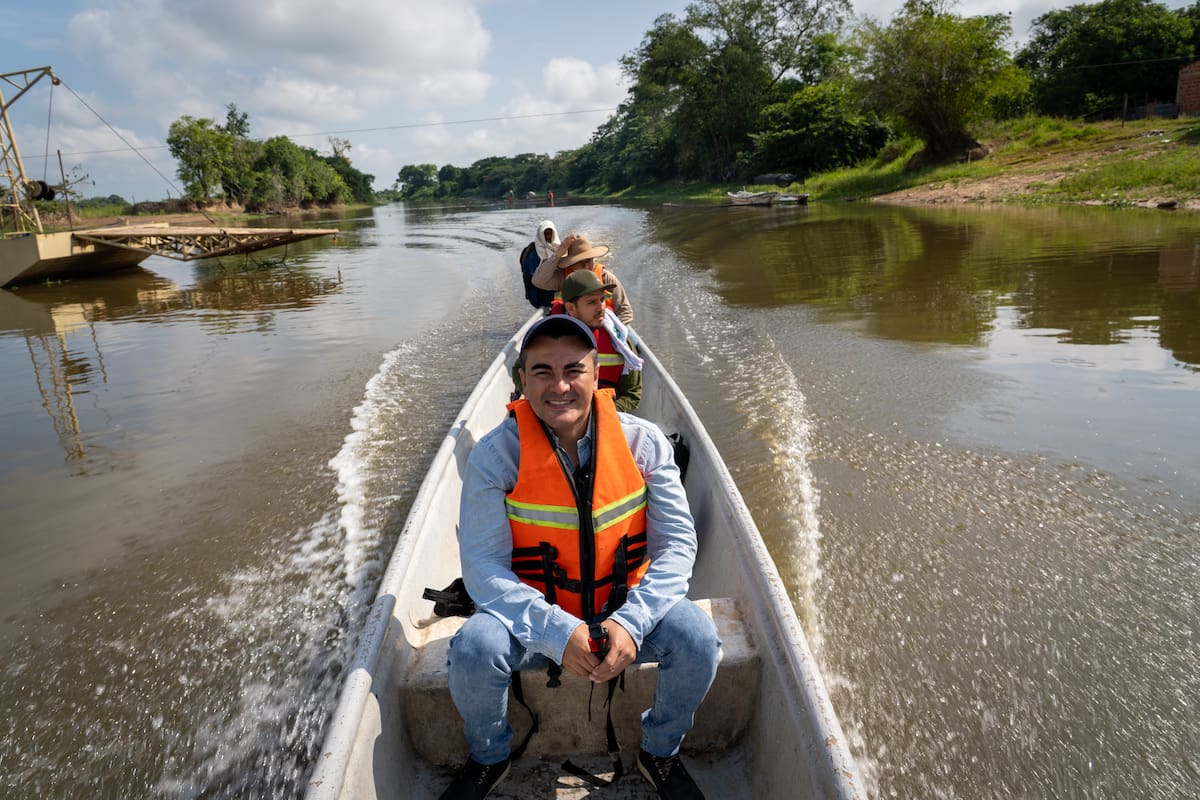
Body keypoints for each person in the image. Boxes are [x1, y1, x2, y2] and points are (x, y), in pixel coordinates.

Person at [441, 314, 719, 800]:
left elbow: (677, 547)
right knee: (472, 650)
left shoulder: (644, 443)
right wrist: (554, 630)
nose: (560, 386)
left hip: (625, 606)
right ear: (522, 379)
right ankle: (490, 754)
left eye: (574, 369)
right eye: (542, 372)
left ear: (596, 375)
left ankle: (659, 750)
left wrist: (632, 623)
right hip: (531, 620)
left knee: (697, 638)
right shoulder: (494, 455)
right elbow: (484, 569)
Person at [532, 233, 634, 324]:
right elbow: (538, 281)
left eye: (589, 260)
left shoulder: (607, 278)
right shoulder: (564, 279)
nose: (586, 266)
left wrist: (613, 332)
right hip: (573, 331)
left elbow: (625, 311)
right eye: (580, 262)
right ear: (571, 264)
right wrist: (558, 254)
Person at [519, 221, 559, 311]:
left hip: (548, 289)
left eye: (550, 234)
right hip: (538, 293)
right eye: (545, 234)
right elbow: (536, 280)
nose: (548, 237)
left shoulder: (553, 247)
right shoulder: (533, 254)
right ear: (540, 235)